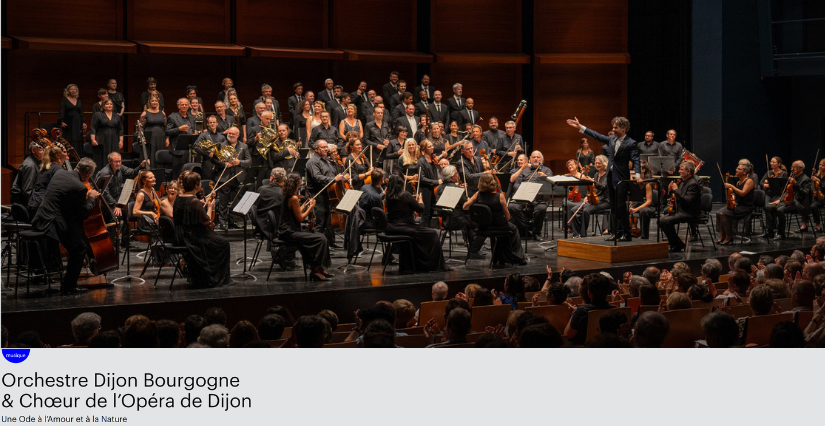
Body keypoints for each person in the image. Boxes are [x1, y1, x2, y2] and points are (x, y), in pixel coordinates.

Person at [567, 116, 643, 241]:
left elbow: (635, 160)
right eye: (613, 127)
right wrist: (581, 127)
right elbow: (597, 136)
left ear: (623, 129)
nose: (613, 129)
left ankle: (626, 233)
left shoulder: (631, 143)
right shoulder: (612, 139)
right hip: (611, 177)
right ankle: (617, 233)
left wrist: (638, 176)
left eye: (615, 127)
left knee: (620, 206)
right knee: (613, 207)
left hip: (622, 179)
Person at [32, 158, 101, 295]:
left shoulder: (61, 173)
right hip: (52, 223)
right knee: (80, 248)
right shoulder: (79, 187)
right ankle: (69, 286)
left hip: (42, 217)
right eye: (91, 175)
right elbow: (84, 212)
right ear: (87, 173)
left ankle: (68, 285)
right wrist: (92, 197)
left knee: (77, 244)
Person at [173, 171, 232, 287]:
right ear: (196, 185)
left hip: (180, 233)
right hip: (193, 236)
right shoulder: (194, 201)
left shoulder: (179, 197)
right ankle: (216, 276)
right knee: (223, 243)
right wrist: (210, 207)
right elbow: (207, 221)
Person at [384, 174, 448, 273]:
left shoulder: (388, 196)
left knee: (420, 235)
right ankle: (430, 265)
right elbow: (420, 209)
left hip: (391, 227)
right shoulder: (405, 195)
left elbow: (402, 204)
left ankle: (416, 264)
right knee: (432, 233)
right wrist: (420, 200)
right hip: (404, 227)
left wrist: (412, 199)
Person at [280, 172, 333, 281]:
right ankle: (315, 270)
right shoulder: (294, 198)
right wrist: (311, 207)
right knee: (321, 238)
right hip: (289, 233)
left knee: (319, 238)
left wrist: (305, 205)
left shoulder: (289, 195)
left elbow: (296, 211)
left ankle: (318, 268)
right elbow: (300, 218)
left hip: (288, 230)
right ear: (298, 182)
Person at [463, 174, 525, 267]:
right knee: (514, 229)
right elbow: (507, 217)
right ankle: (517, 256)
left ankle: (499, 258)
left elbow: (465, 207)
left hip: (484, 228)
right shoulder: (500, 196)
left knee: (505, 231)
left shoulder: (477, 195)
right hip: (499, 226)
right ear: (493, 183)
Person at [95, 152, 148, 248]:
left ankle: (125, 242)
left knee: (128, 214)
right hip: (106, 204)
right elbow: (105, 193)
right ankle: (111, 245)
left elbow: (131, 173)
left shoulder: (120, 168)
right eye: (116, 162)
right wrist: (115, 205)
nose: (118, 164)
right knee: (114, 219)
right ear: (109, 162)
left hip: (116, 202)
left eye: (120, 161)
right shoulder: (104, 173)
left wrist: (141, 166)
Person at [306, 140, 343, 247]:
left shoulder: (327, 160)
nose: (326, 149)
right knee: (320, 221)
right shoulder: (313, 162)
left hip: (328, 193)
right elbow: (317, 177)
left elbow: (333, 174)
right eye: (323, 147)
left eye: (326, 147)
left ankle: (330, 243)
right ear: (316, 149)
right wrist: (334, 179)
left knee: (328, 221)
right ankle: (317, 245)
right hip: (318, 194)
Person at [508, 151, 552, 240]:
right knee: (512, 206)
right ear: (530, 159)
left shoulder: (547, 170)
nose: (536, 159)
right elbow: (516, 184)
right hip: (525, 196)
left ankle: (536, 232)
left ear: (542, 159)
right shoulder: (524, 170)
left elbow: (551, 185)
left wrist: (545, 177)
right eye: (534, 157)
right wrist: (524, 188)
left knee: (541, 209)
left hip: (539, 198)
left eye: (538, 157)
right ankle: (528, 228)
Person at [214, 127, 250, 230]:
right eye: (229, 133)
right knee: (223, 201)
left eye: (233, 134)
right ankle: (222, 222)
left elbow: (249, 161)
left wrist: (239, 162)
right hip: (225, 177)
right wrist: (224, 163)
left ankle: (233, 221)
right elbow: (215, 160)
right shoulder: (221, 145)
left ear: (238, 135)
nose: (231, 135)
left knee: (236, 201)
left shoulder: (244, 146)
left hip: (238, 177)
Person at [565, 273, 616, 345]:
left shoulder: (581, 311)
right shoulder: (615, 310)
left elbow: (567, 335)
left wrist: (574, 313)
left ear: (589, 293)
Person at [765, 160, 811, 239]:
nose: (792, 169)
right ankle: (770, 232)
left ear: (800, 168)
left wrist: (796, 184)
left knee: (780, 210)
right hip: (790, 201)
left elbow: (804, 194)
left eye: (794, 167)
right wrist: (780, 199)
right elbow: (786, 191)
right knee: (769, 207)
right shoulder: (792, 177)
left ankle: (781, 233)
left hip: (799, 204)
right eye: (791, 167)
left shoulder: (806, 179)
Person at [569, 155, 610, 238]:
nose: (597, 165)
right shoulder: (596, 174)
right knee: (574, 209)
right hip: (595, 199)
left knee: (586, 211)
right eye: (596, 163)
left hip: (605, 201)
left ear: (604, 164)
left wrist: (593, 181)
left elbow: (603, 187)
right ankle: (576, 234)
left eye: (599, 163)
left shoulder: (608, 175)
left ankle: (583, 234)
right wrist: (588, 196)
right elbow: (593, 189)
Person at [716, 163, 755, 244]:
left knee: (723, 214)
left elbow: (743, 193)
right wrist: (732, 197)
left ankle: (729, 236)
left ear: (745, 172)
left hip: (746, 207)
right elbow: (737, 195)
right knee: (718, 212)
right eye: (737, 168)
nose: (736, 170)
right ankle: (722, 235)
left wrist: (731, 186)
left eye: (739, 169)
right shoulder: (738, 182)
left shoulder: (749, 181)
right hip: (738, 205)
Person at [27, 145, 66, 218]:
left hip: (33, 204)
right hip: (42, 210)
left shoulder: (44, 168)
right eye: (63, 152)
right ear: (57, 156)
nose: (66, 154)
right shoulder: (57, 169)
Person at [88, 99, 123, 169]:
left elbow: (121, 129)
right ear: (103, 106)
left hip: (114, 139)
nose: (109, 105)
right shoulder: (98, 115)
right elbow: (93, 127)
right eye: (107, 104)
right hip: (102, 139)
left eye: (111, 104)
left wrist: (121, 141)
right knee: (102, 157)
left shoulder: (117, 116)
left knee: (114, 156)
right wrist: (93, 139)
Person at [165, 98, 195, 178]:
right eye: (182, 105)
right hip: (178, 150)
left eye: (186, 104)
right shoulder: (173, 117)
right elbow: (167, 131)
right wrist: (179, 129)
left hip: (190, 150)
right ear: (178, 106)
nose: (184, 106)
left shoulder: (192, 117)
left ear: (189, 106)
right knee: (178, 174)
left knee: (190, 174)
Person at [627, 160, 656, 239]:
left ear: (643, 170)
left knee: (644, 211)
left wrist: (636, 209)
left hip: (649, 206)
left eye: (637, 168)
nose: (635, 169)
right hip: (638, 204)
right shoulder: (635, 181)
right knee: (622, 207)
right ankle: (625, 233)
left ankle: (644, 236)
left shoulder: (648, 183)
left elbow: (649, 202)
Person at [193, 115, 227, 181]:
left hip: (219, 163)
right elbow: (196, 147)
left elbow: (224, 149)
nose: (212, 124)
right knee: (208, 182)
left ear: (217, 123)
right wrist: (207, 153)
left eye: (214, 122)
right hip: (208, 162)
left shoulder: (221, 137)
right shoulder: (203, 135)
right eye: (210, 122)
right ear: (207, 124)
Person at [11, 142, 44, 206]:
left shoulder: (36, 161)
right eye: (41, 150)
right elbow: (27, 191)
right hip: (21, 202)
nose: (44, 152)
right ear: (33, 150)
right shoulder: (30, 166)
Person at [58, 84, 87, 156]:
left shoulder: (79, 101)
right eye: (71, 89)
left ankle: (78, 157)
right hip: (68, 123)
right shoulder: (64, 100)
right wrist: (61, 122)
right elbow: (61, 112)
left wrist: (83, 122)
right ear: (68, 91)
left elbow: (81, 113)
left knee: (78, 139)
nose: (73, 91)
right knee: (69, 139)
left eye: (75, 89)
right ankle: (69, 157)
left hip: (77, 123)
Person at [139, 94, 166, 166]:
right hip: (149, 137)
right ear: (149, 102)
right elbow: (140, 127)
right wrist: (141, 138)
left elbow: (165, 126)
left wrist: (167, 138)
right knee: (150, 154)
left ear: (158, 102)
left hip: (161, 136)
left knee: (160, 155)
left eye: (156, 101)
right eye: (152, 101)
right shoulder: (145, 113)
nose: (154, 102)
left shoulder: (162, 112)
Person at [809, 159, 825, 232]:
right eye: (820, 165)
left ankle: (819, 226)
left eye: (823, 165)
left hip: (824, 197)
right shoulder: (816, 175)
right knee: (807, 202)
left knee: (813, 205)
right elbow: (812, 187)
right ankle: (807, 225)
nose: (821, 166)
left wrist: (819, 181)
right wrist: (812, 181)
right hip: (817, 196)